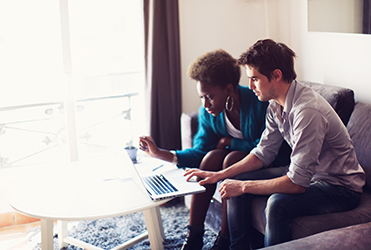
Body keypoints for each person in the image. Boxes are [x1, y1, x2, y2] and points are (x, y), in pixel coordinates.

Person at [184, 39, 366, 249]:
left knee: (277, 204)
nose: (250, 86)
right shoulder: (275, 104)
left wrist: (242, 187)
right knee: (235, 178)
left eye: (255, 79)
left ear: (276, 75)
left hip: (339, 187)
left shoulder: (307, 112)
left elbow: (296, 184)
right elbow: (263, 153)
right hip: (312, 175)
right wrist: (220, 175)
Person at [139, 49, 290, 250]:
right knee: (210, 158)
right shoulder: (209, 113)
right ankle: (194, 235)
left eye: (209, 96)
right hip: (242, 161)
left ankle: (224, 239)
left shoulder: (258, 102)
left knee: (231, 158)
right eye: (202, 97)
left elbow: (265, 148)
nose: (204, 104)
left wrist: (229, 143)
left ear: (228, 89)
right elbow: (200, 151)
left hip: (273, 163)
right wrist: (160, 153)